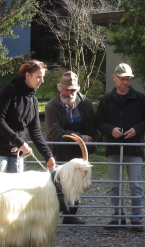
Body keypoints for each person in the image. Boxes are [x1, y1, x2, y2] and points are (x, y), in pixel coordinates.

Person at [97, 63, 145, 232]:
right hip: (113, 149)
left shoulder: (140, 99)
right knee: (114, 185)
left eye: (128, 79)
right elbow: (98, 122)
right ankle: (118, 217)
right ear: (115, 78)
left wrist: (136, 130)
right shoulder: (106, 101)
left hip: (134, 148)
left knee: (135, 184)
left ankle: (136, 219)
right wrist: (111, 130)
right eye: (123, 79)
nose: (125, 82)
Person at [45, 71, 98, 225]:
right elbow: (54, 132)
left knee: (77, 180)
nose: (69, 93)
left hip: (80, 150)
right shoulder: (51, 106)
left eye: (72, 90)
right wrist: (79, 137)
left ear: (77, 90)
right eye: (66, 89)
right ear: (60, 88)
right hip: (60, 148)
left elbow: (93, 124)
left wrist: (91, 142)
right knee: (59, 181)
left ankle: (70, 215)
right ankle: (53, 213)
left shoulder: (85, 103)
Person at [0, 59, 55, 173]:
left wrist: (48, 155)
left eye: (43, 77)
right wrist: (18, 141)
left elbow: (35, 131)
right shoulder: (9, 91)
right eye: (38, 77)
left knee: (16, 189)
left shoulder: (33, 101)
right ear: (28, 75)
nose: (42, 81)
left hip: (17, 152)